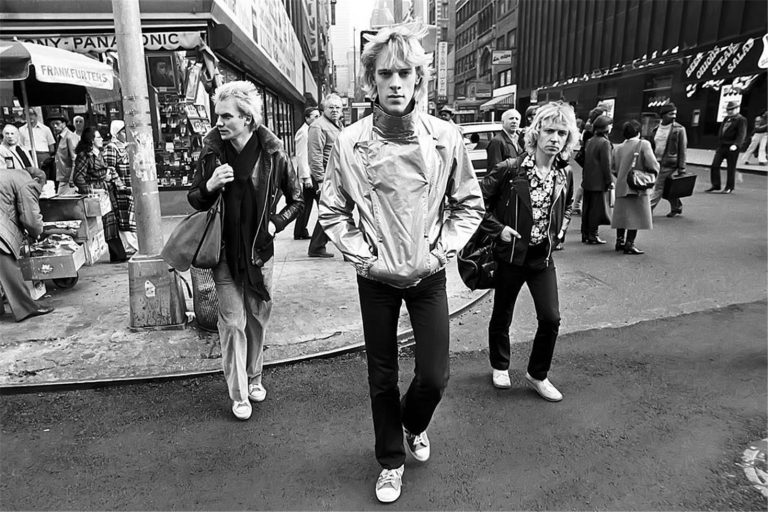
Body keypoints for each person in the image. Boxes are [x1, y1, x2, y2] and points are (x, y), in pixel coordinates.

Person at [318, 25, 484, 504]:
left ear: (419, 80)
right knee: (382, 374)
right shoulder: (349, 143)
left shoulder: (445, 137)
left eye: (404, 73)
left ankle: (412, 424)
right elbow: (332, 209)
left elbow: (467, 204)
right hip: (376, 280)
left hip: (428, 275)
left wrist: (438, 252)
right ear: (371, 80)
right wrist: (365, 259)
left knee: (435, 375)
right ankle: (391, 460)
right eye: (385, 73)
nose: (395, 82)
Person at [187, 80, 303, 421]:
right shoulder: (211, 152)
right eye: (217, 116)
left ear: (247, 119)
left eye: (226, 117)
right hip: (223, 253)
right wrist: (209, 186)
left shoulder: (273, 153)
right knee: (233, 323)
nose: (219, 123)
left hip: (259, 253)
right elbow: (194, 198)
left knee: (257, 319)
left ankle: (255, 375)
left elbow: (297, 200)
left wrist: (275, 224)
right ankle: (238, 393)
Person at [480, 101, 575, 401]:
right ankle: (500, 364)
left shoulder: (564, 174)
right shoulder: (511, 169)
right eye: (549, 131)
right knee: (502, 313)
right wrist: (499, 230)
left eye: (562, 132)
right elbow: (475, 205)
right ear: (536, 133)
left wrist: (560, 231)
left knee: (551, 318)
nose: (555, 138)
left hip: (541, 257)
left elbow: (568, 204)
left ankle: (537, 374)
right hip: (510, 255)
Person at [0, 163, 54, 321]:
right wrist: (37, 233)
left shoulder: (10, 174)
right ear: (37, 179)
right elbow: (30, 217)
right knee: (8, 267)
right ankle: (26, 308)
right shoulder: (26, 181)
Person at [73, 127, 128, 263]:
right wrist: (89, 191)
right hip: (96, 192)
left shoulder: (100, 152)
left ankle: (118, 255)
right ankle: (116, 254)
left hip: (106, 190)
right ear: (91, 140)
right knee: (103, 223)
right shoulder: (84, 156)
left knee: (111, 222)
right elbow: (78, 177)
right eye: (98, 137)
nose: (102, 139)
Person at [611, 120, 658, 255]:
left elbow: (613, 168)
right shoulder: (643, 144)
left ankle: (619, 240)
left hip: (621, 185)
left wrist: (621, 176)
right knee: (635, 216)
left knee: (622, 215)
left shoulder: (617, 147)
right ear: (638, 132)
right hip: (637, 185)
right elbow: (652, 165)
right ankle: (629, 244)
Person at [307, 93, 343, 258]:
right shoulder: (318, 126)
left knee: (330, 211)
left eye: (338, 107)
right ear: (323, 109)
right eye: (331, 107)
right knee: (331, 211)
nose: (335, 110)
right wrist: (320, 181)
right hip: (325, 178)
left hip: (336, 176)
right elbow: (315, 156)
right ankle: (317, 246)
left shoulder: (338, 125)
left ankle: (317, 246)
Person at [103, 120, 138, 255]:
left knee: (132, 217)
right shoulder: (112, 147)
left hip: (130, 187)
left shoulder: (126, 146)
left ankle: (134, 246)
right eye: (123, 131)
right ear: (116, 133)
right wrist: (119, 184)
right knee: (124, 219)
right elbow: (110, 168)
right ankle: (130, 247)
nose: (126, 134)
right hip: (121, 190)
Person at [650, 103, 687, 217]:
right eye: (671, 114)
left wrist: (682, 168)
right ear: (663, 115)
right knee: (669, 186)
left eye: (675, 114)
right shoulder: (656, 129)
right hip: (656, 161)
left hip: (669, 163)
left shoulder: (679, 129)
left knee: (658, 186)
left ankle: (647, 211)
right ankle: (676, 207)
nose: (674, 116)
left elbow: (682, 149)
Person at [581, 114, 613, 244]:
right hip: (598, 181)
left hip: (588, 179)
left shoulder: (590, 141)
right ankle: (593, 235)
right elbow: (606, 164)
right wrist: (609, 180)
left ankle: (585, 233)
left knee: (587, 208)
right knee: (596, 209)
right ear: (606, 127)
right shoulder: (605, 143)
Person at [572, 106, 607, 215]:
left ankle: (577, 204)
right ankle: (581, 205)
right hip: (593, 160)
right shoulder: (594, 131)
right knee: (589, 184)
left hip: (587, 160)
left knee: (585, 182)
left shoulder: (588, 129)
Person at [706, 100, 747, 194]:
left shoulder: (741, 119)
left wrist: (736, 144)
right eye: (728, 109)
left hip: (732, 146)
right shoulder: (726, 119)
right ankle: (716, 185)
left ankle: (729, 187)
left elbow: (742, 134)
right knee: (715, 165)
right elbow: (722, 131)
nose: (729, 111)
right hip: (722, 146)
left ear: (737, 109)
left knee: (731, 168)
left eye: (732, 109)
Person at [292, 106, 320, 240]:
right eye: (315, 116)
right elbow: (301, 156)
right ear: (307, 118)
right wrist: (306, 177)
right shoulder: (303, 132)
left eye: (318, 116)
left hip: (311, 174)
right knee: (325, 205)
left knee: (307, 204)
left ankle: (300, 231)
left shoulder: (312, 130)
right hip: (310, 175)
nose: (318, 119)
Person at [486, 108, 523, 174]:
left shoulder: (521, 140)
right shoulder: (497, 141)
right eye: (511, 118)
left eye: (517, 119)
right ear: (502, 122)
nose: (514, 121)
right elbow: (495, 169)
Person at [49, 113, 79, 195]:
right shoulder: (59, 137)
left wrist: (72, 178)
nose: (55, 126)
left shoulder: (70, 137)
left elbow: (75, 159)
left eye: (57, 124)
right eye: (53, 124)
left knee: (64, 203)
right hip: (62, 176)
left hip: (68, 178)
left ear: (64, 124)